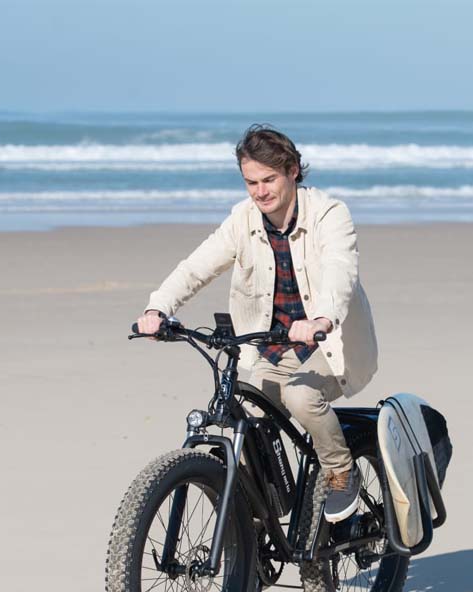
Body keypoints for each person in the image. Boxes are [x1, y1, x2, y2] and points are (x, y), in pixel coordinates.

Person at [136, 124, 379, 522]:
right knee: (247, 412)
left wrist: (321, 318)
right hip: (272, 346)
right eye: (251, 182)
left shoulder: (329, 215)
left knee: (301, 398)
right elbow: (197, 266)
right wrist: (158, 308)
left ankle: (340, 471)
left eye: (269, 179)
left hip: (328, 346)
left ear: (293, 171)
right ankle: (268, 506)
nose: (261, 191)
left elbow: (340, 270)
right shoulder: (243, 220)